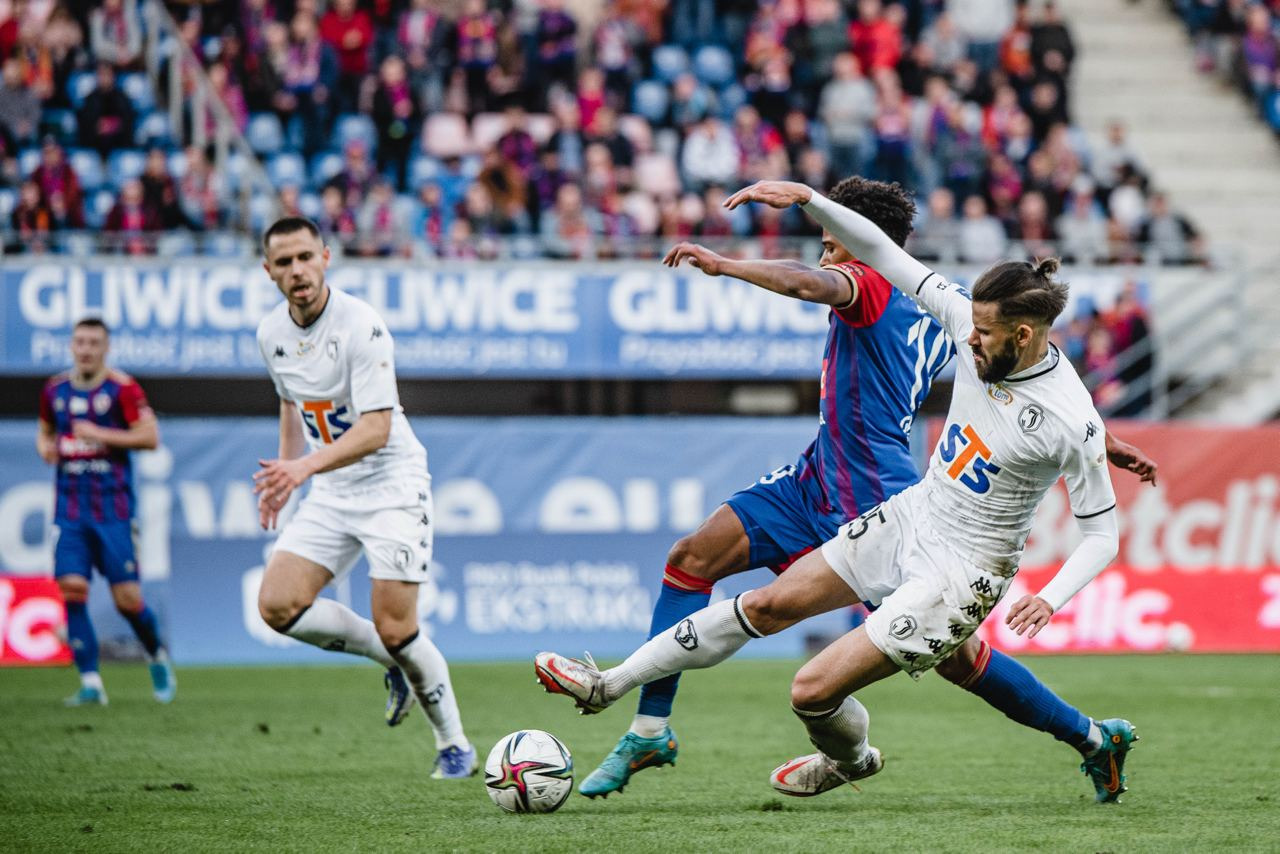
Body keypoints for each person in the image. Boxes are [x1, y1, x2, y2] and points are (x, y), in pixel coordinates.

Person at [540, 179, 1152, 805]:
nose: (969, 341)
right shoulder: (960, 312)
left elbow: (1093, 510)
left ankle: (1067, 740)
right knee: (734, 585)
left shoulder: (891, 299)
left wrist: (1051, 592)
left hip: (928, 534)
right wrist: (807, 197)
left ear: (1020, 335)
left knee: (896, 673)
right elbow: (886, 257)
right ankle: (622, 699)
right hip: (887, 502)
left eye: (834, 242)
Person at [253, 217, 476, 780]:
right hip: (331, 487)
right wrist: (284, 476)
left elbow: (377, 429)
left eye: (306, 257)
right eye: (285, 262)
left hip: (391, 485)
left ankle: (454, 744)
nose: (298, 270)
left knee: (399, 627)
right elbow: (290, 401)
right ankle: (388, 659)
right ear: (269, 270)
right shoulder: (270, 333)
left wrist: (303, 468)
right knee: (277, 606)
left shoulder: (362, 326)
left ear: (325, 257)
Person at [37, 318, 175, 707]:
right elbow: (44, 431)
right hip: (70, 511)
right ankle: (91, 683)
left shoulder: (122, 389)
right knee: (72, 589)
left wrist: (100, 434)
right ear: (71, 345)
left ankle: (156, 653)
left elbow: (150, 437)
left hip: (114, 512)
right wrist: (45, 447)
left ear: (106, 348)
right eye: (80, 342)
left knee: (127, 600)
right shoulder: (55, 390)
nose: (86, 349)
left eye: (93, 343)